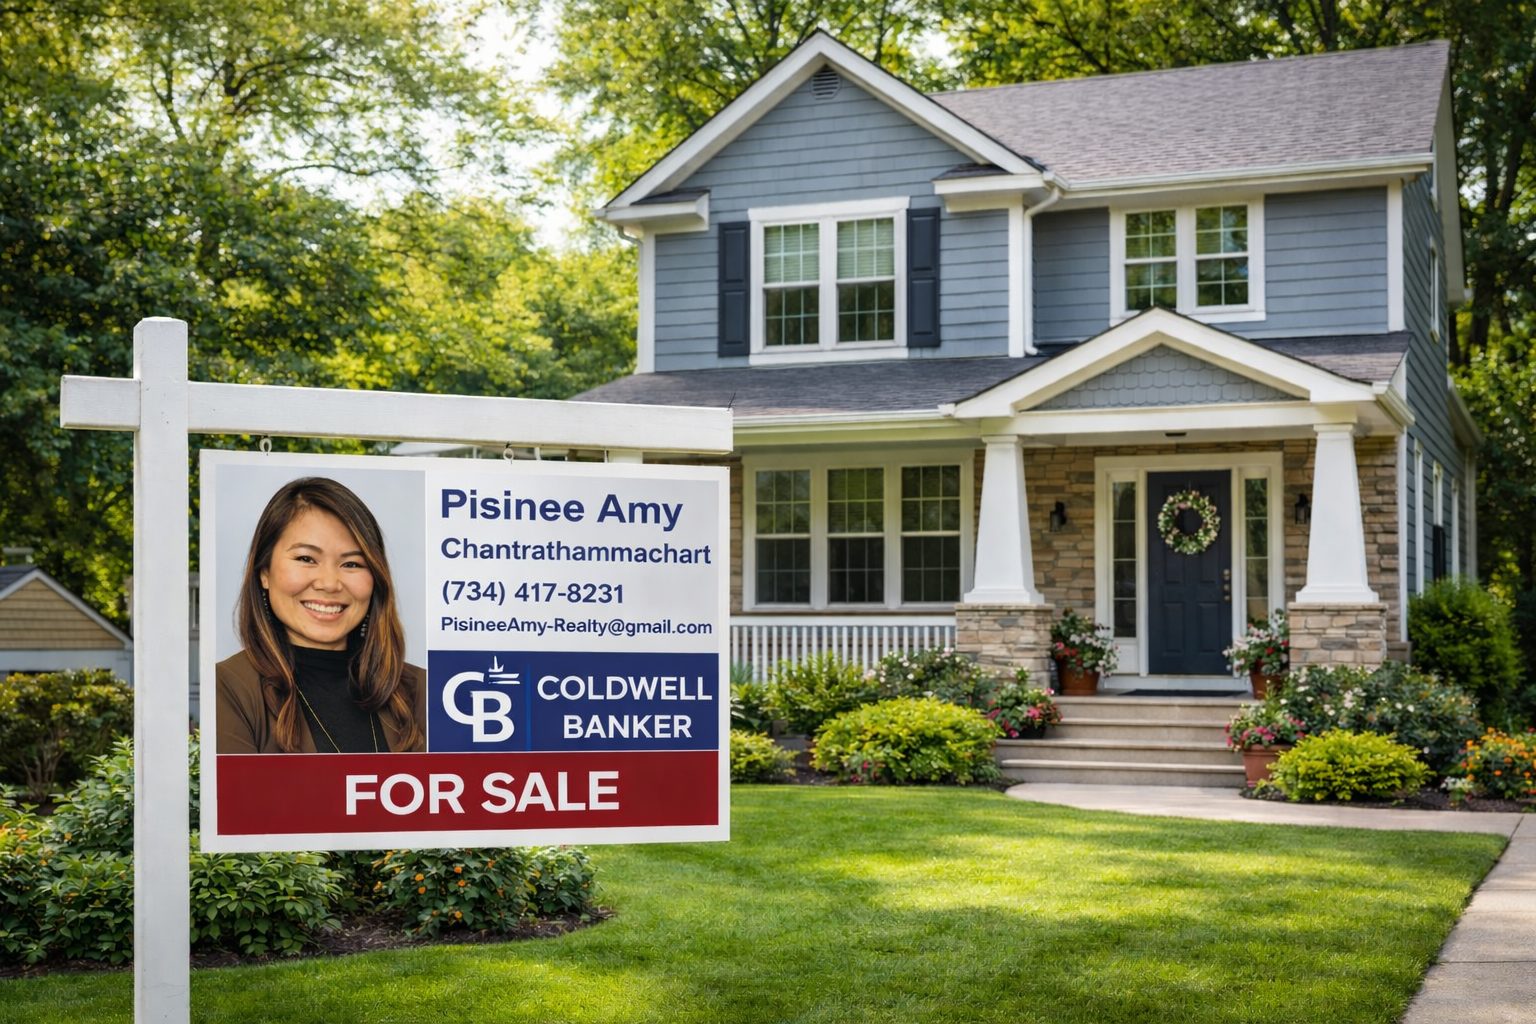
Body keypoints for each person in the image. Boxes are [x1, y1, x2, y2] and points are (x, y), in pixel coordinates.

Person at [216, 476, 425, 754]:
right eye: (306, 559)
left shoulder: (423, 690)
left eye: (351, 563)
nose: (329, 583)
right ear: (264, 571)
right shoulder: (228, 687)